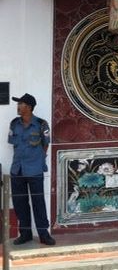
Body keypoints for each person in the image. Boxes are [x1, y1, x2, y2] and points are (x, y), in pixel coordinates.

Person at [8, 93, 56, 246]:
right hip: (17, 170)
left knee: (38, 202)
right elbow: (12, 142)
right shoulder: (14, 123)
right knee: (20, 203)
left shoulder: (42, 124)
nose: (18, 107)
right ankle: (26, 233)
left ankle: (44, 234)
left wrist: (39, 159)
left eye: (20, 104)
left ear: (28, 107)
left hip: (34, 170)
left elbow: (45, 144)